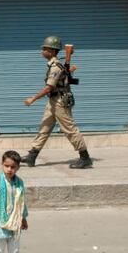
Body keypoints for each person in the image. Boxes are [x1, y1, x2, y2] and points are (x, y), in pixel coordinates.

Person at [21, 36, 92, 169]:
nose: (42, 51)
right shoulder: (56, 65)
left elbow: (49, 87)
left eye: (45, 49)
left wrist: (33, 99)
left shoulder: (55, 67)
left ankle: (85, 158)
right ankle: (32, 156)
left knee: (69, 129)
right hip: (53, 100)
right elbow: (62, 78)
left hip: (60, 101)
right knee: (44, 127)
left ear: (53, 52)